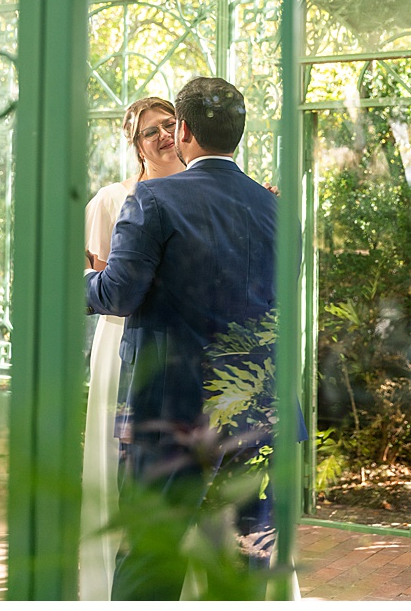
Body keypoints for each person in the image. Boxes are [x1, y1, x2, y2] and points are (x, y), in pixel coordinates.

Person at [85, 77, 279, 600]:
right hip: (258, 410)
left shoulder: (152, 199)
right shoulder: (277, 207)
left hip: (177, 411)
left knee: (153, 556)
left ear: (185, 129)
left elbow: (119, 294)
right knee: (243, 564)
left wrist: (78, 282)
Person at [79, 97, 183, 600]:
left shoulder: (209, 189)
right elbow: (103, 282)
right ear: (135, 144)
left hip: (188, 348)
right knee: (126, 461)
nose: (163, 135)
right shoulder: (111, 200)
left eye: (170, 125)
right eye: (150, 131)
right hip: (124, 338)